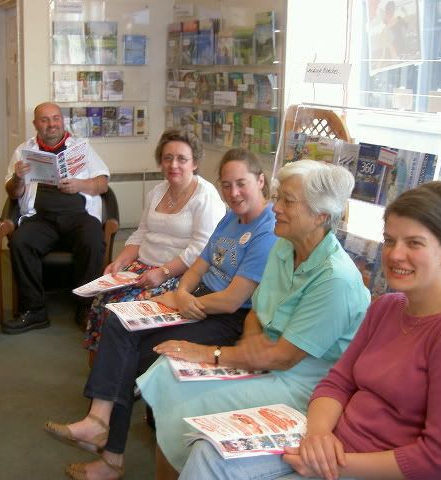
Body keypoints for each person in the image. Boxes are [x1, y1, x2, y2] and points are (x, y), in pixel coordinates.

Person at [179, 181, 441, 480]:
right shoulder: (387, 307)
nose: (395, 255)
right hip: (330, 444)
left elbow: (437, 458)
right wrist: (318, 436)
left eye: (414, 243)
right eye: (390, 241)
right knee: (209, 454)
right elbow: (338, 381)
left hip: (368, 468)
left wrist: (331, 462)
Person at [45, 148, 279, 480]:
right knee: (118, 321)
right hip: (194, 297)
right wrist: (182, 292)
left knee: (136, 353)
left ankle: (110, 457)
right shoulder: (231, 216)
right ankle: (98, 420)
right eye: (226, 185)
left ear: (260, 181)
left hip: (227, 318)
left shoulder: (267, 230)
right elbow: (200, 264)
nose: (234, 193)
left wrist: (182, 301)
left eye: (241, 184)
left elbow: (232, 300)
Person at [137, 159, 371, 479]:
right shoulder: (284, 248)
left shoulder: (336, 279)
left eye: (288, 201)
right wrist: (247, 349)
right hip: (261, 359)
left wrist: (212, 354)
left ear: (321, 216)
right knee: (168, 371)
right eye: (278, 198)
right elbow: (257, 313)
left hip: (301, 386)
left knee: (188, 398)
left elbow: (283, 357)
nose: (276, 208)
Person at [84, 128, 227, 354]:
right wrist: (119, 263)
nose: (173, 165)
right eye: (167, 158)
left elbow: (201, 249)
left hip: (179, 275)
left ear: (195, 163)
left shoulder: (206, 197)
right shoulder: (157, 191)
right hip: (142, 268)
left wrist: (163, 272)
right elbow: (141, 234)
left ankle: (121, 370)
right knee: (103, 298)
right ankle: (103, 365)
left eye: (182, 159)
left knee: (122, 311)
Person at [2, 102, 109, 333]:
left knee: (92, 240)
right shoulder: (23, 151)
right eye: (45, 120)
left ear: (62, 120)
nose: (52, 124)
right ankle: (35, 310)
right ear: (35, 124)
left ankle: (86, 308)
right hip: (41, 218)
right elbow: (13, 192)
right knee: (21, 242)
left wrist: (80, 184)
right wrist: (18, 178)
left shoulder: (81, 148)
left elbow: (103, 184)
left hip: (78, 215)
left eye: (56, 118)